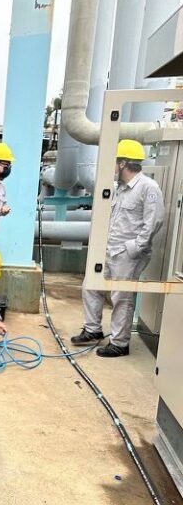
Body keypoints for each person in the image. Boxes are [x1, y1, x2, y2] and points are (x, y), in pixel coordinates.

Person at [71, 139, 164, 357]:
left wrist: (135, 247)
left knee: (121, 297)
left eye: (115, 161)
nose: (112, 166)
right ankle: (92, 329)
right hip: (109, 249)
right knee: (90, 285)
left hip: (128, 254)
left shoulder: (148, 187)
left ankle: (120, 343)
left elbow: (155, 221)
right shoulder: (119, 188)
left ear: (123, 163)